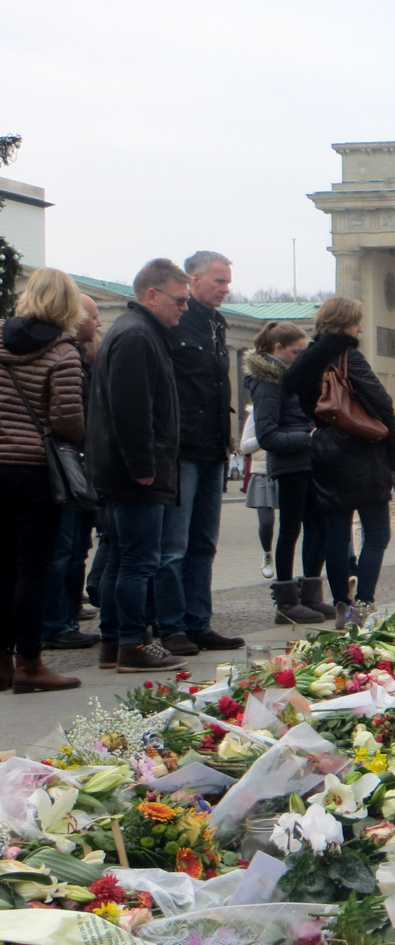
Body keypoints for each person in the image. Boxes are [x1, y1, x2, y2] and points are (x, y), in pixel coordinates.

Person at [90, 258, 192, 673]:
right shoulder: (137, 336)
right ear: (152, 295)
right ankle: (132, 643)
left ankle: (113, 640)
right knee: (138, 561)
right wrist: (143, 465)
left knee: (120, 558)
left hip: (120, 467)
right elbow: (132, 410)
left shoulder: (132, 332)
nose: (184, 308)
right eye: (179, 300)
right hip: (135, 470)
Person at [282, 297, 395, 629]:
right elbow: (381, 400)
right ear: (345, 324)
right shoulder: (348, 356)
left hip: (324, 447)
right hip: (362, 448)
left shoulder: (307, 361)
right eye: (356, 323)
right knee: (377, 531)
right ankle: (363, 603)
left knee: (337, 533)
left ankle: (341, 606)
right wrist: (394, 444)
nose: (361, 328)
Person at [0, 269, 86, 692]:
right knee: (31, 570)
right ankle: (30, 665)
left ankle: (0, 662)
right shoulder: (63, 352)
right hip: (34, 471)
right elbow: (66, 419)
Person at [154, 250, 243, 657]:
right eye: (219, 281)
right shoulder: (175, 322)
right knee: (174, 544)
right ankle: (171, 626)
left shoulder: (217, 323)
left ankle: (199, 622)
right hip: (183, 446)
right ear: (193, 279)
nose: (226, 288)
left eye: (227, 281)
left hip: (212, 447)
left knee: (204, 543)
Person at [245, 321, 334, 624]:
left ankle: (310, 595)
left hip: (307, 460)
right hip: (291, 462)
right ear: (278, 348)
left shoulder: (288, 377)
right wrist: (308, 438)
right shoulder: (268, 380)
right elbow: (268, 434)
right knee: (291, 529)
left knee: (318, 526)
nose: (301, 357)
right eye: (296, 352)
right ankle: (286, 600)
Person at [40, 293, 101, 651]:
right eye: (93, 318)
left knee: (75, 547)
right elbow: (68, 417)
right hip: (65, 463)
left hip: (75, 462)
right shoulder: (66, 357)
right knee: (63, 548)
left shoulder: (79, 357)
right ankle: (56, 623)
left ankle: (67, 616)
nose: (97, 325)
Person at [237, 405, 277, 581]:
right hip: (263, 472)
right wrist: (266, 437)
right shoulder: (256, 413)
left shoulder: (292, 407)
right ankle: (267, 553)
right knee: (266, 521)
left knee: (294, 525)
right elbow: (244, 447)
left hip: (289, 469)